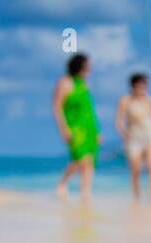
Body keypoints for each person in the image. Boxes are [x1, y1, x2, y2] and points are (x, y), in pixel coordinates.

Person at [52, 53, 98, 202]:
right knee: (79, 158)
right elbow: (57, 106)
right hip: (75, 128)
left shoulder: (84, 83)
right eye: (87, 66)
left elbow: (89, 110)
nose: (89, 69)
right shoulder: (65, 82)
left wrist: (97, 131)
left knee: (90, 160)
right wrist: (63, 128)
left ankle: (86, 193)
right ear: (79, 66)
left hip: (89, 127)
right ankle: (63, 183)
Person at [115, 73, 151, 201]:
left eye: (145, 85)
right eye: (141, 85)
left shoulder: (149, 100)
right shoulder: (125, 100)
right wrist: (124, 135)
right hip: (134, 137)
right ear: (134, 85)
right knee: (136, 170)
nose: (144, 88)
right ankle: (136, 197)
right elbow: (119, 122)